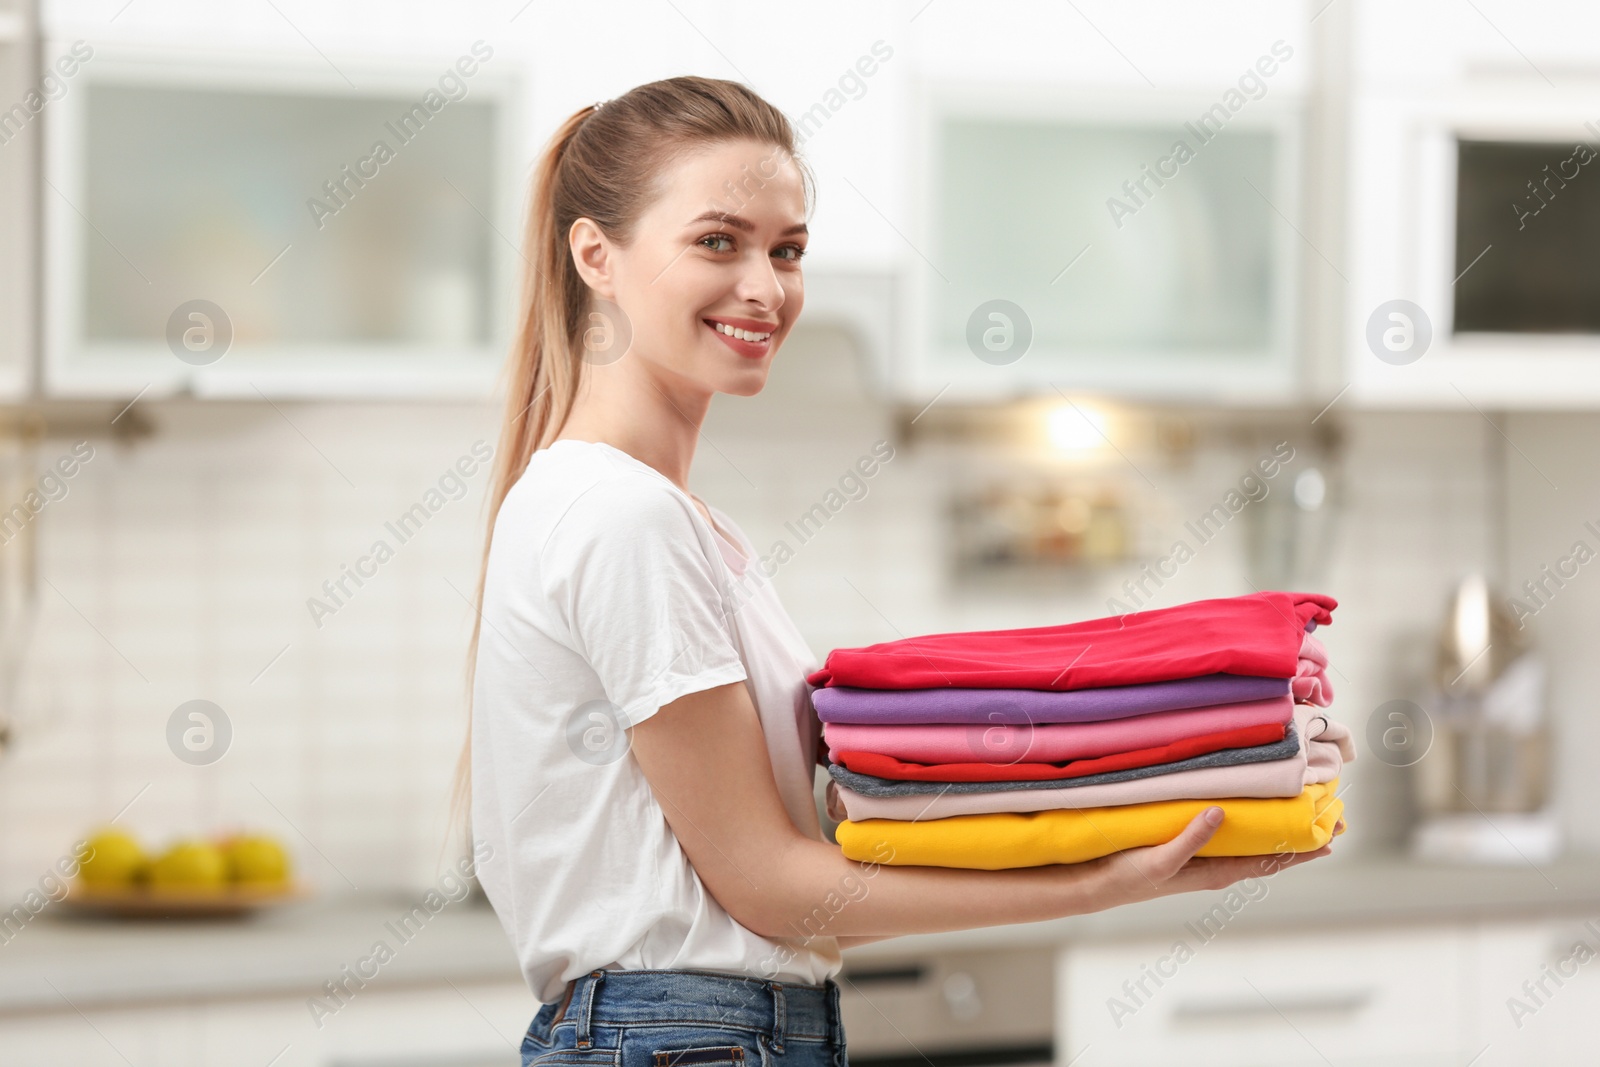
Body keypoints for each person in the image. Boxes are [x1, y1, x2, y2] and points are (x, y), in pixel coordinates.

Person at [461, 75, 1332, 1067]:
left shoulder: (663, 518)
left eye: (787, 250)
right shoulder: (622, 514)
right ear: (595, 255)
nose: (766, 286)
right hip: (689, 1036)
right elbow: (769, 883)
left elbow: (809, 886)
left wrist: (1151, 815)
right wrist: (1100, 881)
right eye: (718, 241)